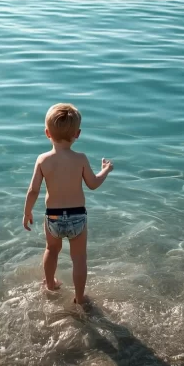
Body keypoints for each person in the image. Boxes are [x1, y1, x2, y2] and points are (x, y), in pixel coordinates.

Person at [22, 103, 113, 307]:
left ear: (47, 133)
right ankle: (80, 299)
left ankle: (50, 285)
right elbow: (93, 184)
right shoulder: (80, 159)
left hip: (52, 217)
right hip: (77, 216)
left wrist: (27, 211)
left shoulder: (42, 159)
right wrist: (105, 170)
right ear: (77, 134)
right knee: (79, 258)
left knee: (51, 250)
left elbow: (33, 190)